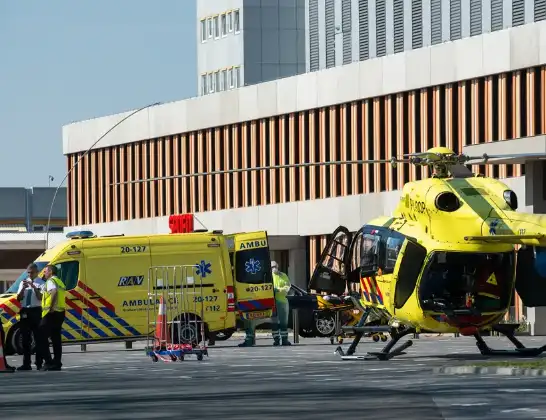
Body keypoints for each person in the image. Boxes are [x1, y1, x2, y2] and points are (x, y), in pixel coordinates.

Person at [16, 263, 45, 371]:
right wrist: (23, 289)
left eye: (32, 272)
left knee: (38, 338)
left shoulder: (41, 283)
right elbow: (18, 298)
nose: (30, 274)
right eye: (28, 272)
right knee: (25, 338)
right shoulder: (22, 283)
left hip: (36, 310)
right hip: (25, 310)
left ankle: (39, 363)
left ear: (37, 272)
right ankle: (26, 364)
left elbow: (40, 297)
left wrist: (34, 287)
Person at [37, 265, 66, 371]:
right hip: (60, 312)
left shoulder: (51, 281)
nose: (44, 273)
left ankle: (48, 362)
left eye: (45, 271)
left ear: (51, 271)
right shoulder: (60, 281)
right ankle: (57, 362)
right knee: (56, 338)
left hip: (51, 313)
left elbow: (54, 292)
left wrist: (51, 308)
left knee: (41, 337)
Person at [271, 261, 291, 346]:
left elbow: (288, 286)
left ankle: (284, 340)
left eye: (275, 266)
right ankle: (276, 340)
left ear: (278, 266)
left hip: (283, 301)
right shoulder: (270, 276)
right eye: (272, 267)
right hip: (273, 302)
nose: (274, 268)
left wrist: (280, 289)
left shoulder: (283, 275)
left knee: (283, 322)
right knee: (274, 322)